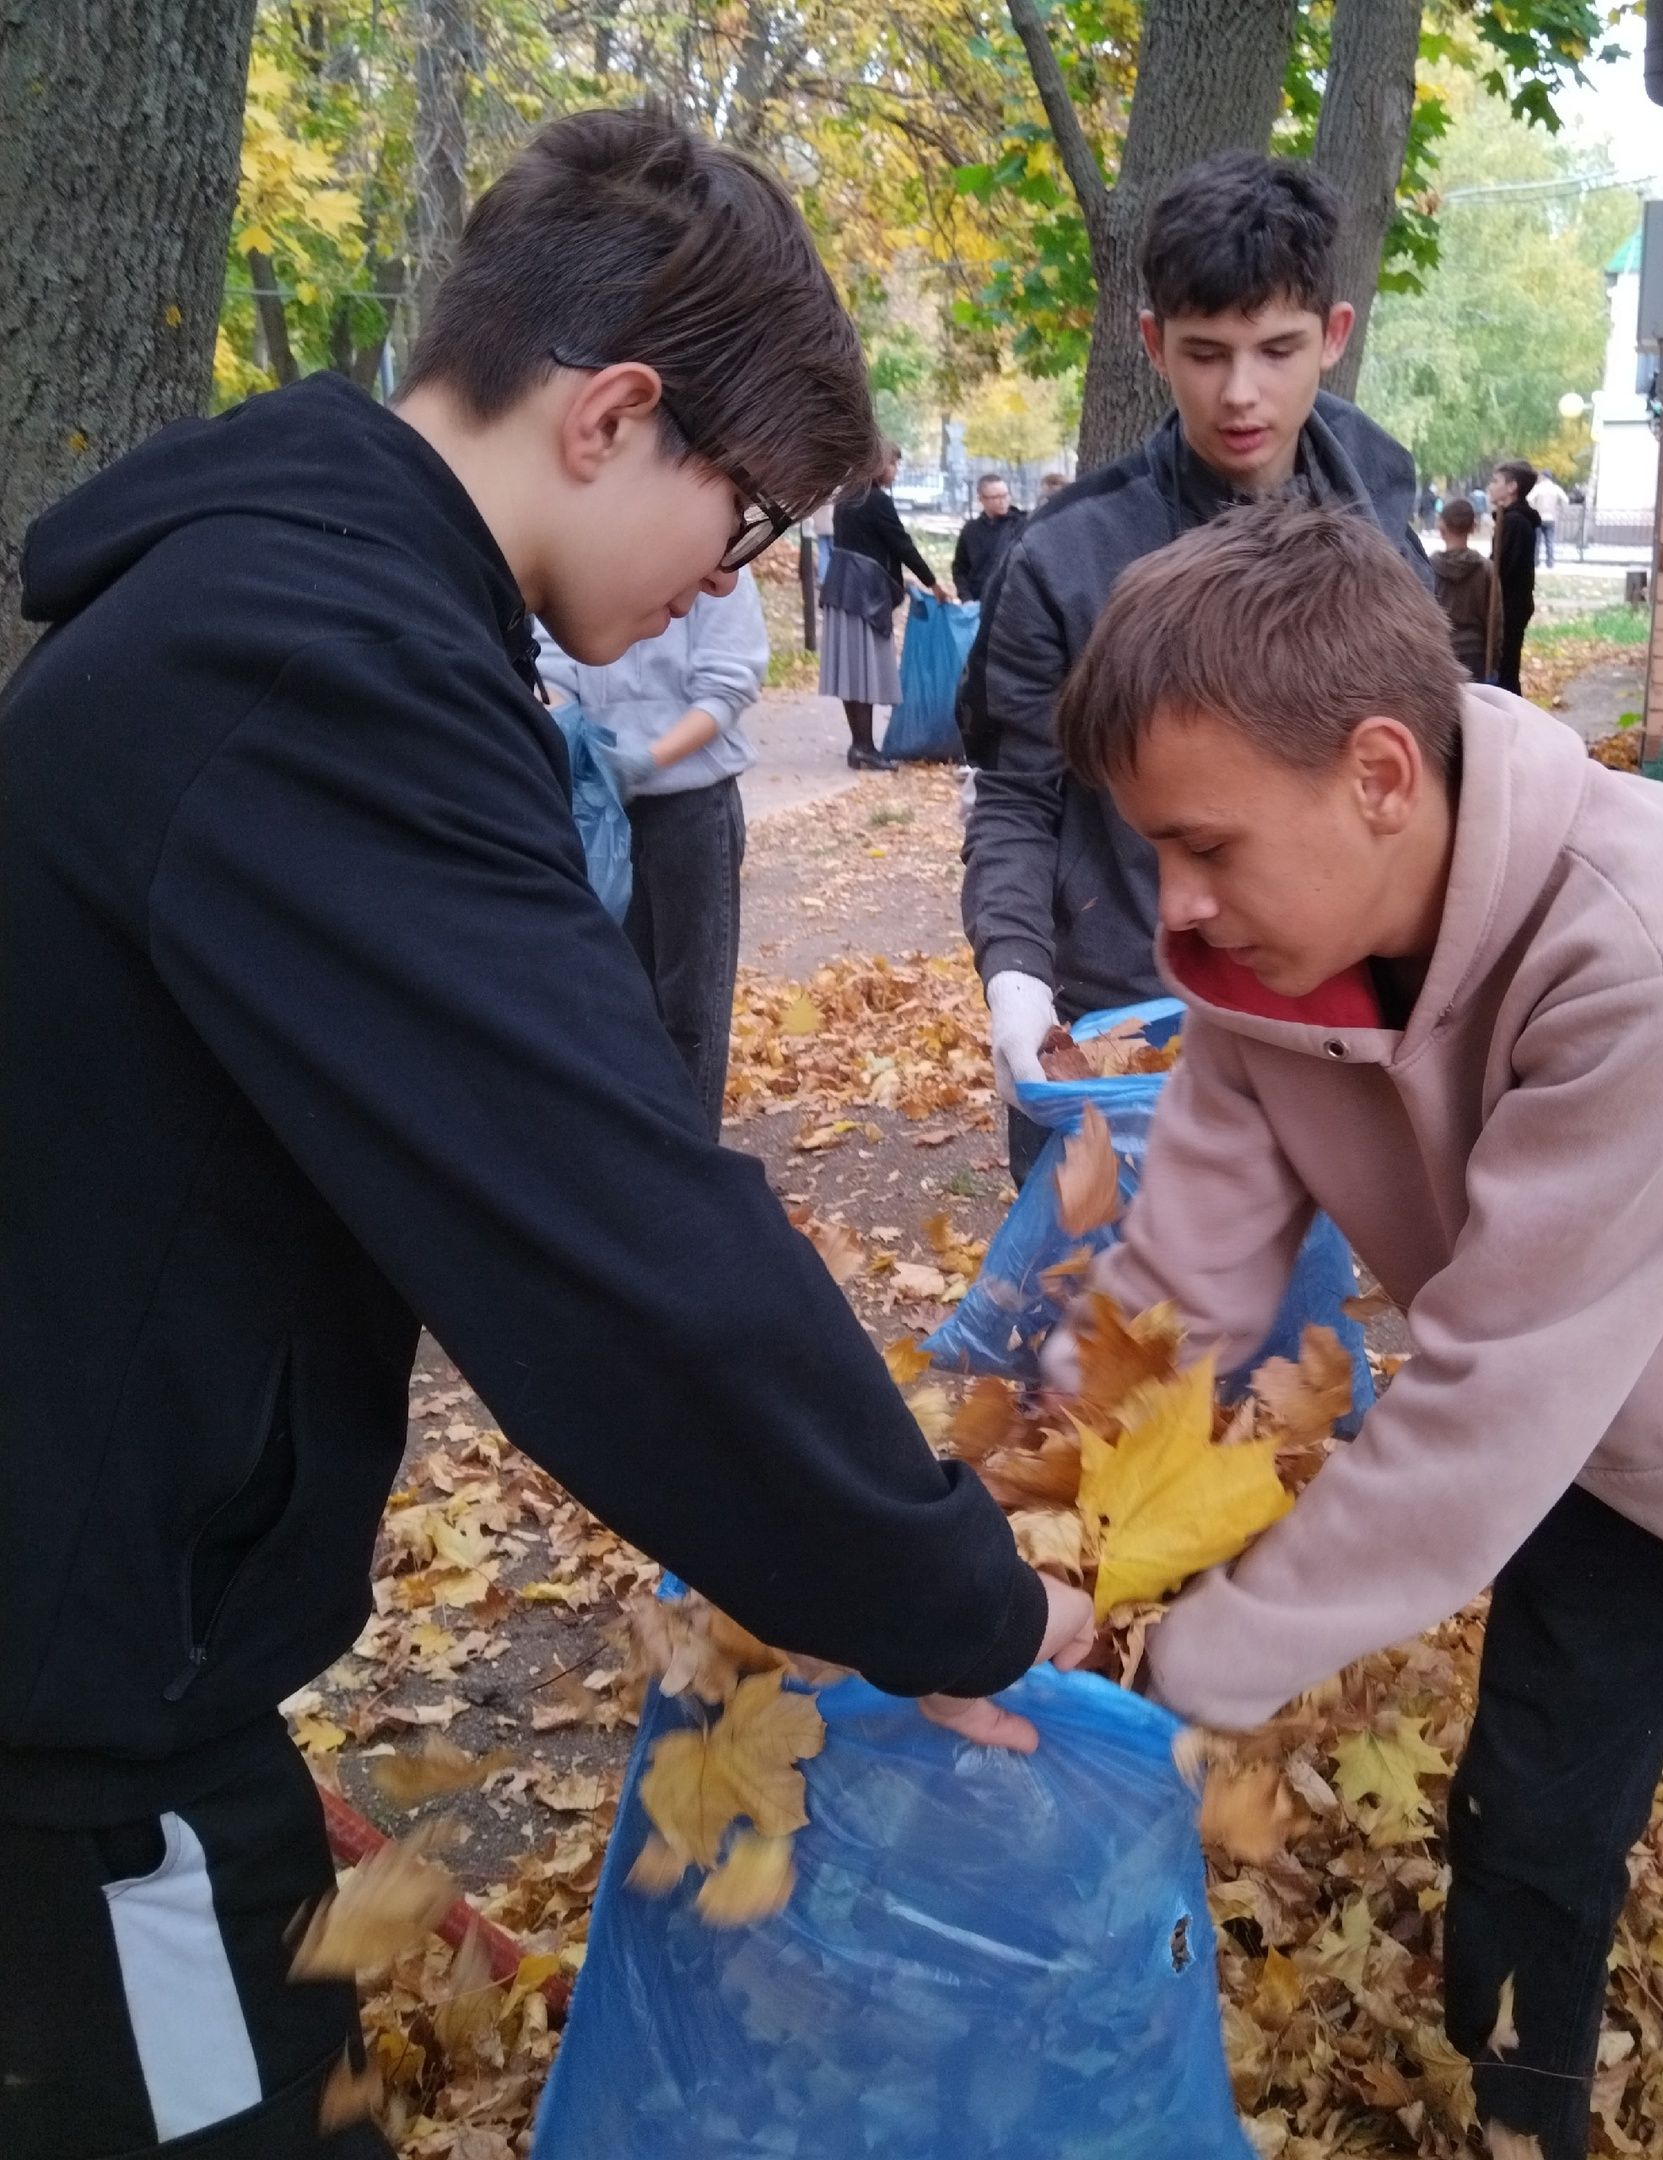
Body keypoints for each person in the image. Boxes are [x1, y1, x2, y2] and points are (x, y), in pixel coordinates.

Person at [0, 109, 1093, 2160]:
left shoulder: (305, 608)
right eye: (749, 518)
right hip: (66, 1733)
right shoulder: (314, 668)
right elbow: (612, 1241)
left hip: (116, 1655)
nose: (735, 581)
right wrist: (950, 1593)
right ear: (614, 416)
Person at [1048, 496, 1663, 2160]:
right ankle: (1518, 2120)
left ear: (1381, 774)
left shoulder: (1659, 948)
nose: (1171, 909)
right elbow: (1176, 1290)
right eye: (1148, 850)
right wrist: (1057, 1534)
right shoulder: (1261, 964)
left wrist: (1174, 1672)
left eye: (1207, 845)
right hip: (1610, 1466)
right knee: (1530, 1819)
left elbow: (1483, 1409)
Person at [960, 149, 1431, 1188]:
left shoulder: (1381, 511)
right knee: (1100, 1331)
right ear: (1152, 345)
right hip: (1119, 1025)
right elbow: (1015, 800)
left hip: (1328, 1021)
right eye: (1204, 352)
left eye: (1276, 349)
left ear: (1333, 337)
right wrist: (1014, 981)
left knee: (1288, 1338)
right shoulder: (1062, 556)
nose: (1240, 394)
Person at [537, 574, 769, 1136]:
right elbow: (548, 660)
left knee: (691, 1003)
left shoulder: (718, 565)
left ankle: (692, 1155)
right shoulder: (591, 548)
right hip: (600, 805)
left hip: (692, 805)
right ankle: (641, 1150)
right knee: (618, 994)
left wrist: (646, 757)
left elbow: (728, 683)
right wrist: (574, 734)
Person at [818, 444, 948, 773]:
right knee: (864, 671)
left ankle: (859, 745)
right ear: (877, 465)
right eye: (893, 464)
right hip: (864, 597)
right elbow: (900, 544)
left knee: (852, 672)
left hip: (842, 590)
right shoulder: (875, 500)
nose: (895, 471)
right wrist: (932, 581)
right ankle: (864, 747)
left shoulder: (847, 497)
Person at [1489, 460, 1542, 696]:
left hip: (1509, 606)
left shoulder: (1515, 522)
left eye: (1495, 481)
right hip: (1511, 604)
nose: (1490, 486)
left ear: (1512, 487)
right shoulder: (1512, 519)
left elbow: (1503, 568)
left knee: (1506, 670)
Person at [1430, 496, 1497, 681]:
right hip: (1475, 652)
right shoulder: (1486, 569)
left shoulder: (1429, 568)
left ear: (1441, 528)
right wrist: (1495, 657)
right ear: (1473, 528)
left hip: (1440, 650)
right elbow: (1494, 618)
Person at [951, 473, 1026, 604]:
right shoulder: (971, 530)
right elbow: (960, 569)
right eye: (995, 497)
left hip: (1014, 604)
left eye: (1005, 495)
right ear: (981, 499)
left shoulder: (1023, 526)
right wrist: (966, 598)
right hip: (979, 602)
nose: (1002, 501)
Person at [1527, 468, 1567, 567]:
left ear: (1543, 477)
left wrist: (1534, 509)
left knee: (1537, 541)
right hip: (1551, 517)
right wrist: (1561, 510)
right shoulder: (1556, 488)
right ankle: (1550, 562)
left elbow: (1529, 499)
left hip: (1539, 516)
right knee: (1550, 540)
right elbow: (1565, 500)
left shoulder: (1538, 488)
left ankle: (1536, 562)